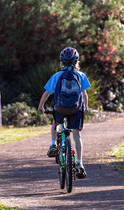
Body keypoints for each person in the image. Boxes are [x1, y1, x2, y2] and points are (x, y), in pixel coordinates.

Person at [38, 47, 90, 179]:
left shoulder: (57, 76)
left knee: (55, 123)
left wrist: (41, 107)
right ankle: (79, 163)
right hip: (76, 109)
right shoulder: (81, 75)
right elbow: (84, 94)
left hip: (60, 108)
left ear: (61, 62)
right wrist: (86, 107)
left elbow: (46, 94)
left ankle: (53, 144)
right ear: (76, 61)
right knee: (77, 135)